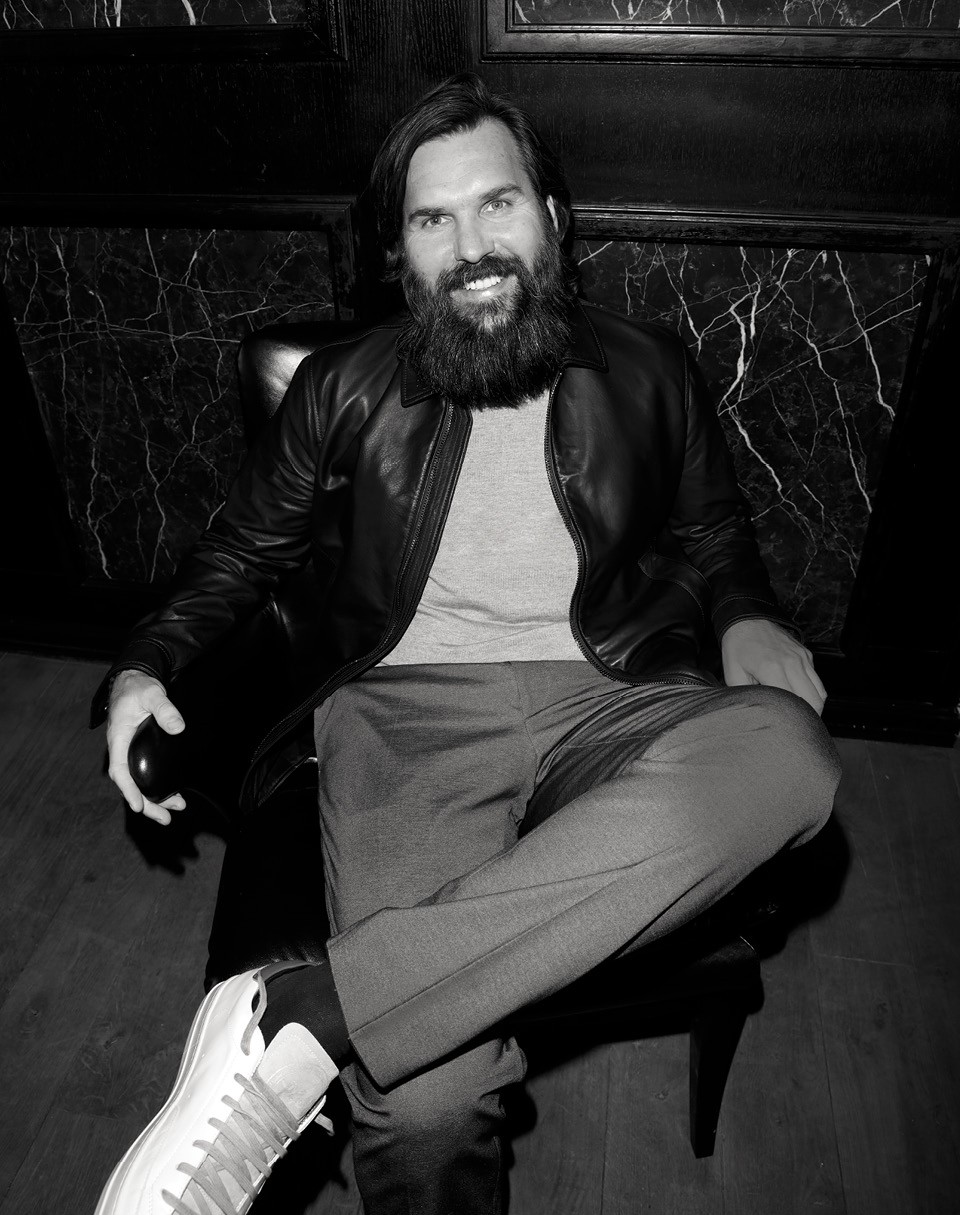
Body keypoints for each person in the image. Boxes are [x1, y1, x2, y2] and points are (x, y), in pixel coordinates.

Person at [93, 72, 841, 1215]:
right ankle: (345, 1018)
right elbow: (240, 552)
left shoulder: (649, 368)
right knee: (426, 1105)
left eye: (498, 203)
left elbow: (715, 533)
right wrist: (144, 664)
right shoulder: (342, 389)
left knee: (793, 759)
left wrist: (746, 616)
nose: (473, 245)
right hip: (407, 714)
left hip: (613, 691)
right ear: (399, 255)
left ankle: (313, 1015)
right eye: (432, 219)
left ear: (555, 218)